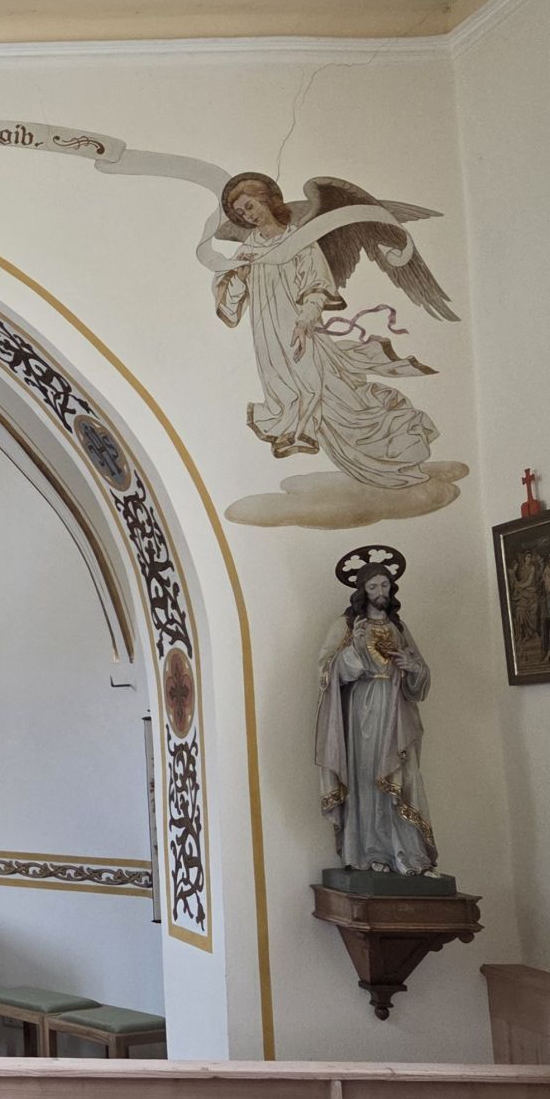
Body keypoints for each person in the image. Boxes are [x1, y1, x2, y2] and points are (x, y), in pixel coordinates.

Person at [213, 174, 440, 489]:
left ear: (265, 199)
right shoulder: (245, 253)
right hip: (269, 344)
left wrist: (305, 320)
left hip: (300, 333)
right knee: (312, 407)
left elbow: (317, 287)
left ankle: (396, 458)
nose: (247, 216)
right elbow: (229, 305)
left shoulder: (299, 241)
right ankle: (370, 471)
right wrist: (239, 276)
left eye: (249, 206)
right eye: (241, 213)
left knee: (337, 399)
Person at [316, 553, 437, 875]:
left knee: (405, 776)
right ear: (362, 591)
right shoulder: (346, 626)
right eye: (373, 586)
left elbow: (420, 677)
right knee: (366, 777)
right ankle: (370, 852)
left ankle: (408, 855)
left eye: (385, 585)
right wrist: (353, 651)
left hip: (397, 711)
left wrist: (414, 668)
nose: (380, 591)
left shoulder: (399, 627)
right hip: (362, 712)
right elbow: (326, 671)